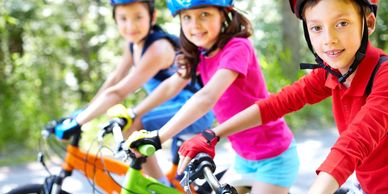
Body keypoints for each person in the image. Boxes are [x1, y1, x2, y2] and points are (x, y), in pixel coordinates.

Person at [176, 0, 388, 193]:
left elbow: (354, 143)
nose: (329, 39)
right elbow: (276, 104)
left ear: (368, 23)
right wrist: (212, 134)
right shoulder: (332, 73)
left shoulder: (384, 76)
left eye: (342, 23)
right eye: (316, 28)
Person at [126, 0, 300, 193]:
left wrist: (160, 136)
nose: (195, 25)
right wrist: (134, 113)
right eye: (187, 17)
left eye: (204, 15)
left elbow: (207, 97)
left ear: (223, 14)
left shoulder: (238, 47)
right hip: (243, 158)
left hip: (274, 158)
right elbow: (170, 86)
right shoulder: (200, 54)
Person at [53, 0, 214, 186]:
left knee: (136, 123)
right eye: (123, 18)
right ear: (115, 20)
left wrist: (80, 121)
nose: (131, 26)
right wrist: (81, 114)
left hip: (193, 110)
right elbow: (115, 79)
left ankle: (159, 186)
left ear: (152, 17)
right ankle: (161, 183)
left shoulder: (158, 48)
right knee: (134, 122)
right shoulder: (133, 44)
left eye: (138, 17)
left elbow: (120, 91)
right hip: (171, 109)